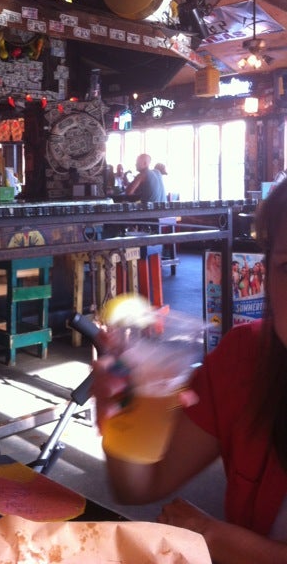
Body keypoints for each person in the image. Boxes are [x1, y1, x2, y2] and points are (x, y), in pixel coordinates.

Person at [91, 177, 287, 563]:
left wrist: (220, 539)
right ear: (267, 273)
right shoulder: (246, 359)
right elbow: (140, 486)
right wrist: (124, 421)